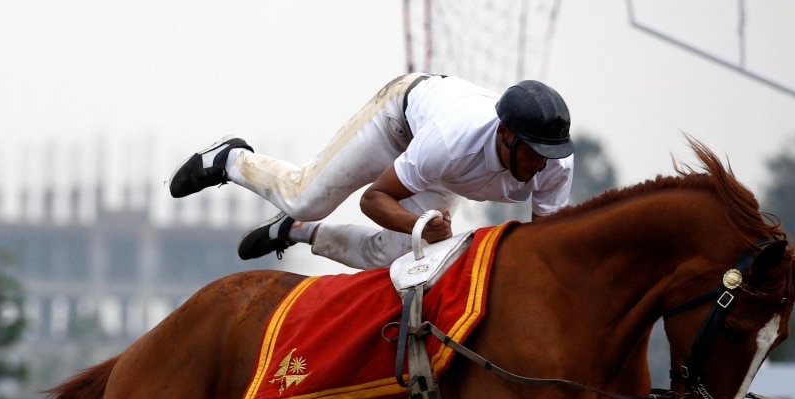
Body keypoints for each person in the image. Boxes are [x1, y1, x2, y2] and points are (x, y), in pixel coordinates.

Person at [167, 73, 575, 269]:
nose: (541, 163)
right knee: (306, 198)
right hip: (399, 122)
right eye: (534, 151)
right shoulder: (452, 142)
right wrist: (419, 223)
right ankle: (227, 160)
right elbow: (374, 199)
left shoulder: (556, 165)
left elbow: (542, 245)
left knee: (398, 259)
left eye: (549, 153)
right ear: (505, 133)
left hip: (437, 167)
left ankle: (295, 231)